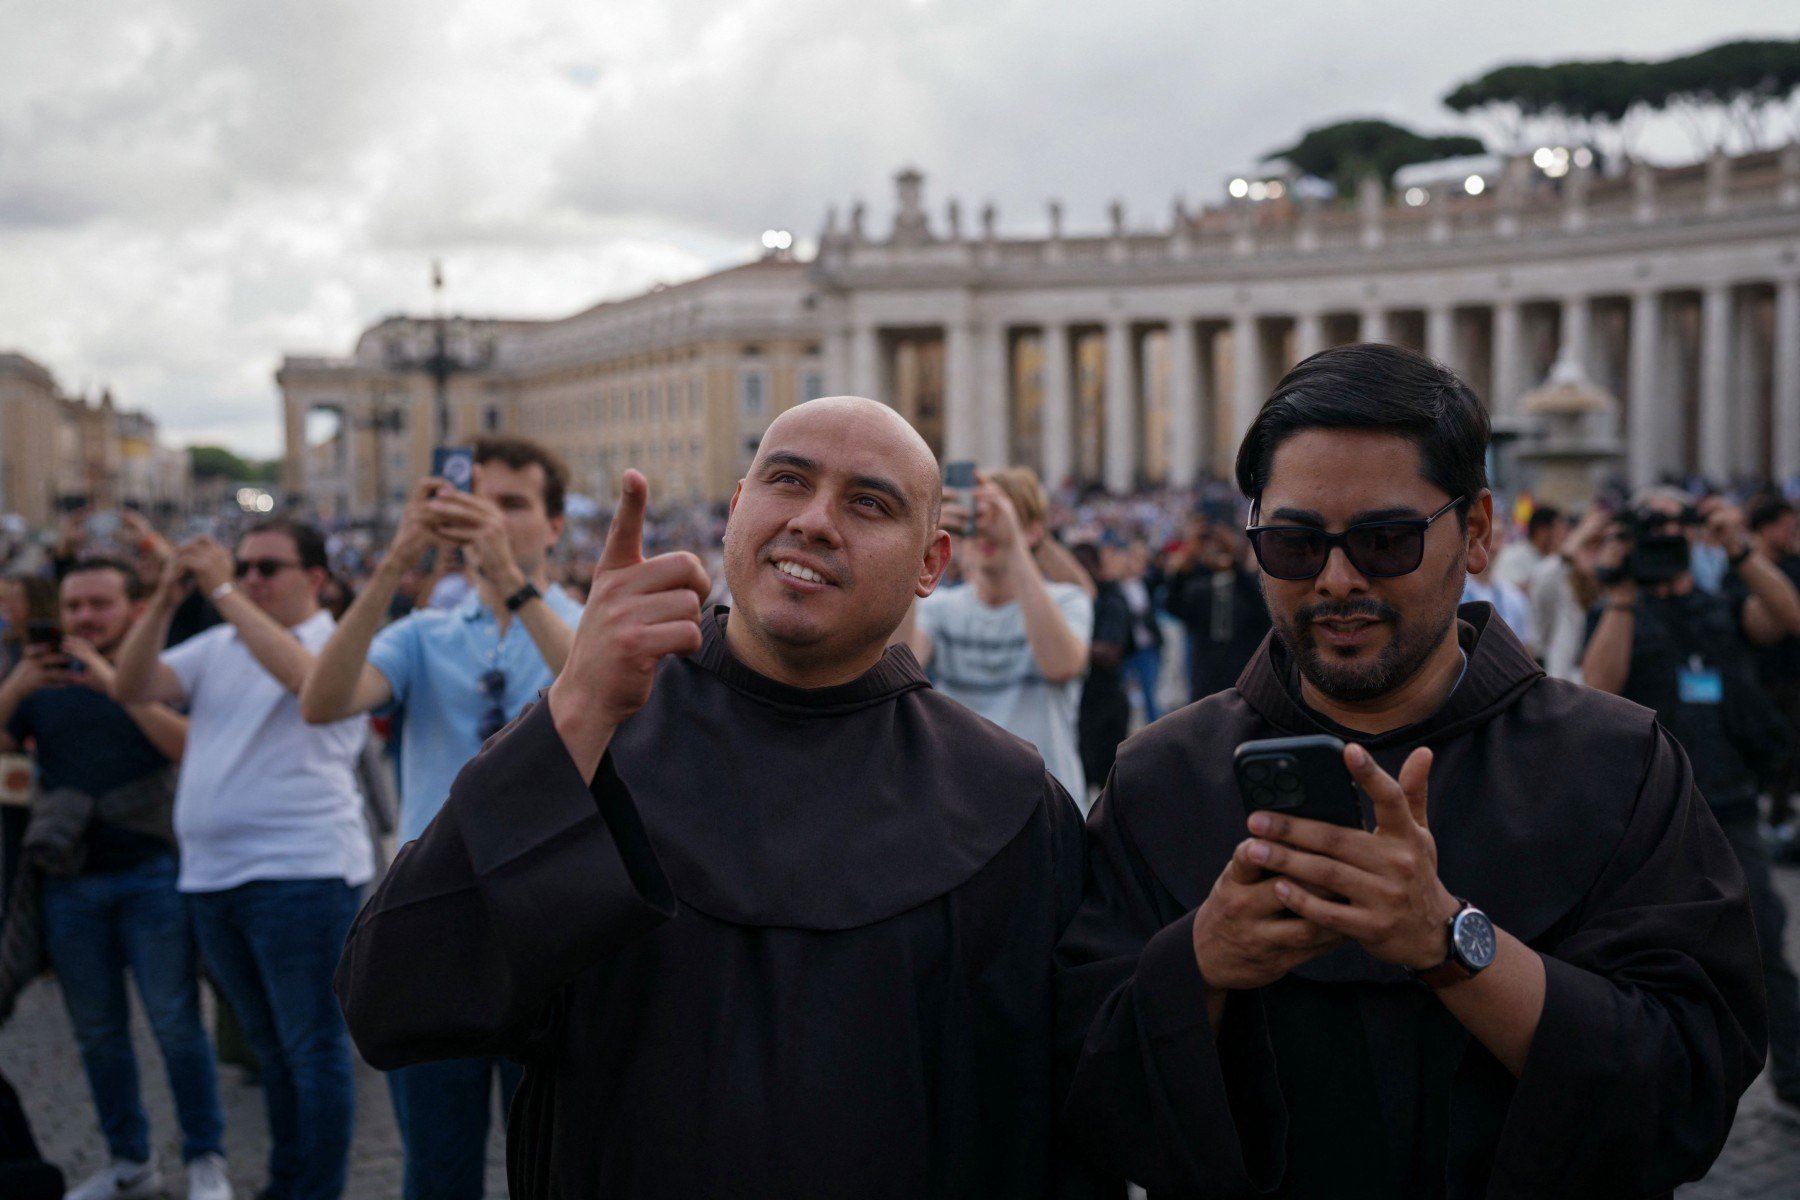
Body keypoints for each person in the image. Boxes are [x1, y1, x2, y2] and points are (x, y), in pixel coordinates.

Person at [336, 397, 1090, 1199]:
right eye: (786, 481)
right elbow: (395, 1000)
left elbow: (1042, 1135)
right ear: (736, 510)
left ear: (931, 563)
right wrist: (574, 711)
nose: (814, 521)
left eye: (869, 503)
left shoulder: (1010, 804)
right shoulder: (597, 736)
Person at [1057, 344, 1764, 1198]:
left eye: (1386, 541)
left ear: (1476, 533)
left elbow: (1690, 1082)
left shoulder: (1618, 762)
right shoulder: (1159, 775)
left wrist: (1446, 940)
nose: (1337, 579)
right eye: (1294, 543)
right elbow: (1080, 1090)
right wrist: (1199, 962)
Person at [300, 437, 580, 1200]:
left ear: (555, 526)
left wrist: (515, 586)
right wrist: (397, 564)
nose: (488, 519)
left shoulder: (585, 625)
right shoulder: (424, 635)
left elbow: (607, 695)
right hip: (436, 926)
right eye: (475, 502)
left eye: (513, 504)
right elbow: (323, 701)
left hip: (555, 929)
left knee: (559, 1164)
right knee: (437, 1170)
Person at [114, 521, 374, 1200]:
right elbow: (133, 687)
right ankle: (287, 1183)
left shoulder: (334, 642)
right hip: (212, 875)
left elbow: (304, 682)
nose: (252, 579)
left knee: (313, 1051)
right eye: (246, 567)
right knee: (271, 1050)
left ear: (315, 578)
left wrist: (223, 588)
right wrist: (166, 601)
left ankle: (313, 1190)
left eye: (268, 567)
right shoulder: (223, 641)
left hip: (302, 871)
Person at [0, 559, 230, 1200]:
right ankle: (129, 1161)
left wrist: (115, 685)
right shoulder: (36, 680)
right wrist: (16, 687)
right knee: (97, 1034)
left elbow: (187, 745)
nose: (84, 619)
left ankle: (206, 1157)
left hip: (151, 871)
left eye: (100, 605)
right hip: (70, 878)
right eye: (74, 607)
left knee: (177, 1025)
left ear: (133, 610)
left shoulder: (161, 671)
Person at [1581, 485, 1800, 1113]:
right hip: (1648, 809)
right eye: (1652, 525)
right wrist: (1619, 589)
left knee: (1767, 942)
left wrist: (1740, 550)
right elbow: (1599, 687)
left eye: (1676, 524)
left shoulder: (1722, 604)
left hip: (1727, 803)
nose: (1663, 538)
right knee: (1643, 952)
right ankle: (1647, 1083)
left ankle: (1792, 1072)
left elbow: (1786, 615)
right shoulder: (1619, 609)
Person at [898, 465, 1093, 802]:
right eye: (977, 516)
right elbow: (899, 667)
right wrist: (919, 538)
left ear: (1033, 531)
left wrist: (1014, 543)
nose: (986, 531)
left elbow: (1061, 666)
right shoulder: (940, 607)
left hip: (1045, 800)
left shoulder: (1068, 600)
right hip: (960, 798)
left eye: (1001, 517)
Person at [1163, 510, 1270, 704]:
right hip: (1206, 675)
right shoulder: (1200, 584)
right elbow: (1174, 606)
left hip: (1245, 673)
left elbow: (1262, 607)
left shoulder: (1250, 582)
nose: (1216, 552)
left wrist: (1235, 559)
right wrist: (1189, 555)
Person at [1073, 542, 1131, 791]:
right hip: (1080, 704)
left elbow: (1111, 651)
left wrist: (1069, 647)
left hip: (1106, 704)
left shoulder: (1111, 599)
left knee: (1108, 784)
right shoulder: (1069, 600)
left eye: (1083, 567)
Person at [1492, 504, 1563, 594]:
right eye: (1558, 530)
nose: (1562, 536)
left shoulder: (1554, 560)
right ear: (1542, 531)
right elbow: (1507, 591)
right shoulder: (1513, 555)